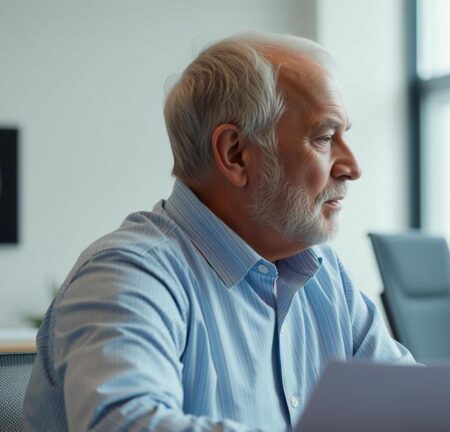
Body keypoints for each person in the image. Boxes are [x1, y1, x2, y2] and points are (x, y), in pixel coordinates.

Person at [22, 33, 413, 431]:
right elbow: (127, 424)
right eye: (325, 138)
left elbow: (416, 410)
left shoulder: (326, 278)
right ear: (235, 154)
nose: (352, 167)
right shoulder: (126, 274)